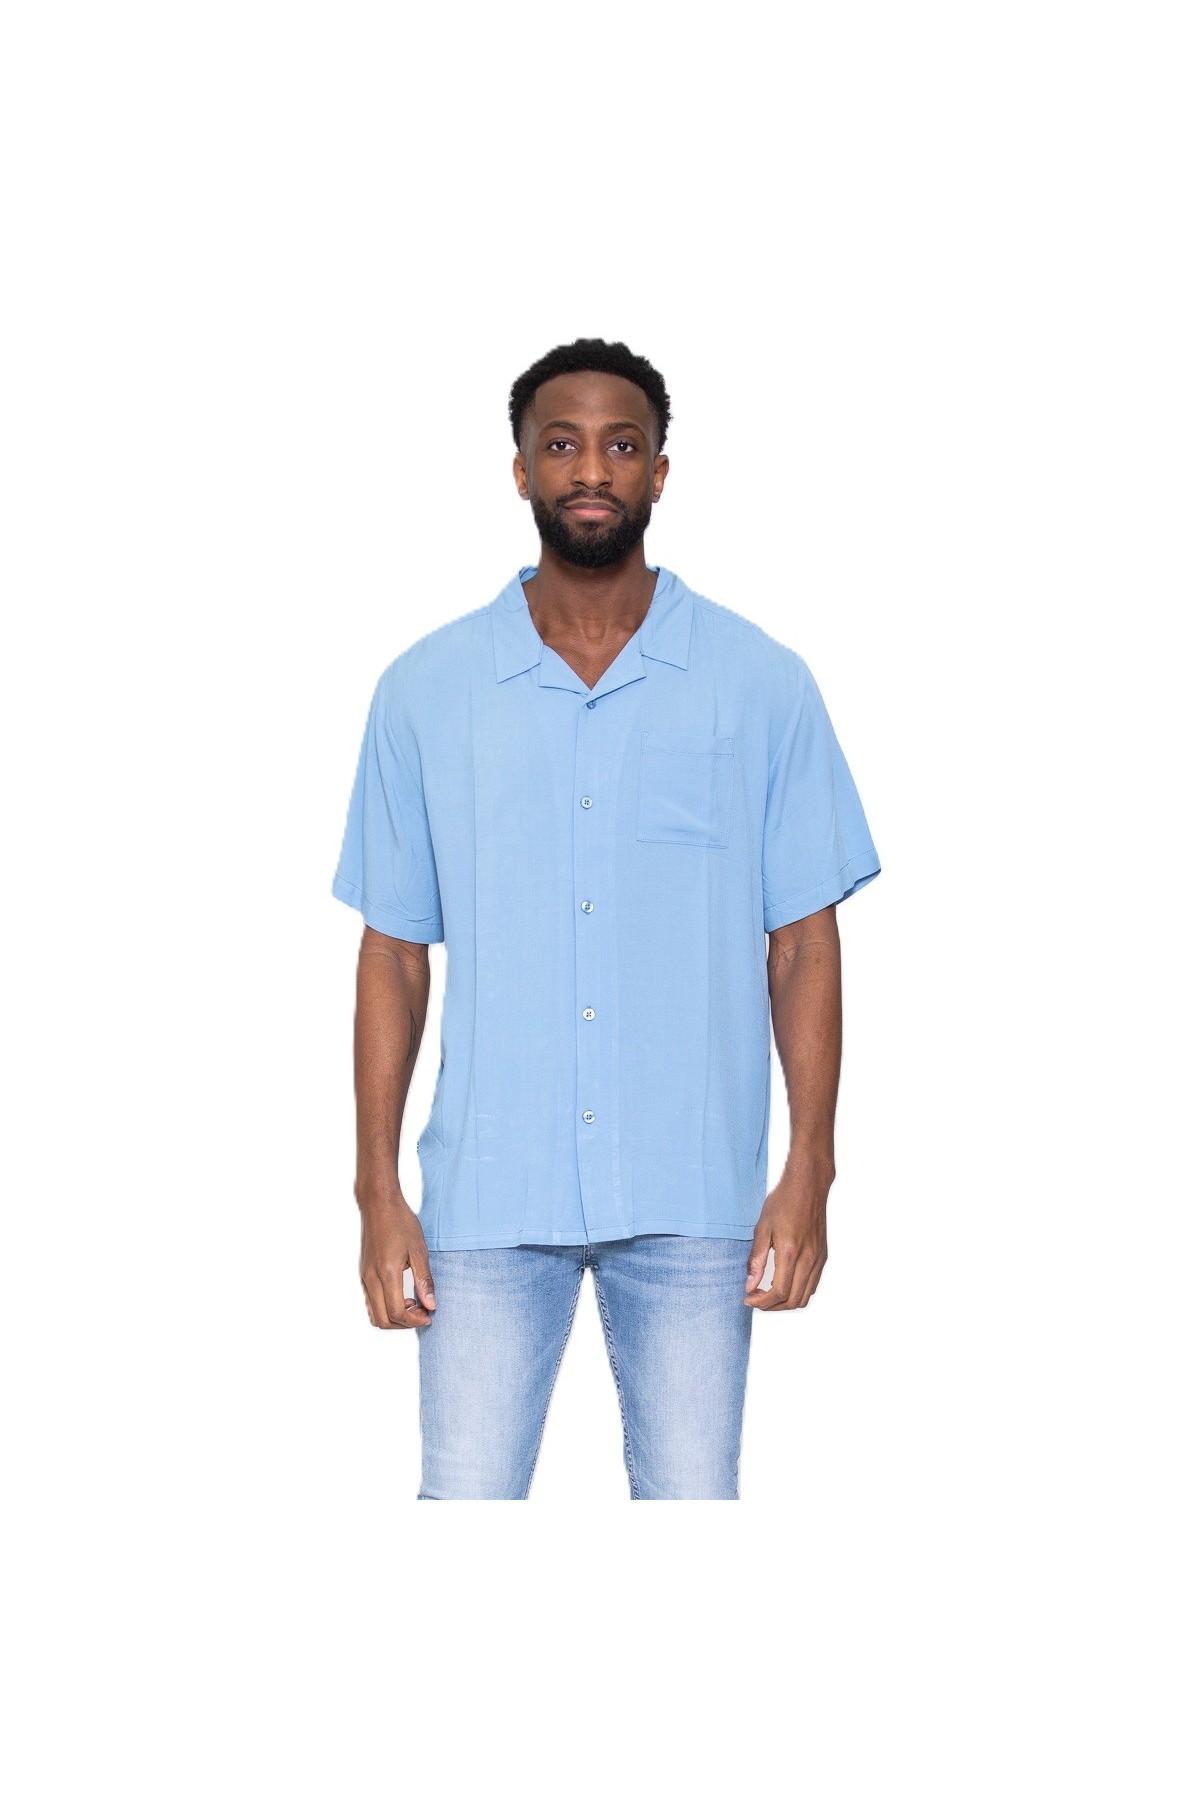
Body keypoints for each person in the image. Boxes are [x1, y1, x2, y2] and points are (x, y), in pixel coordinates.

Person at [332, 337, 881, 1499]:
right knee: (463, 1513)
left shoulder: (759, 683)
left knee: (690, 1514)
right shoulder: (424, 691)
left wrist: (811, 1169)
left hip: (693, 1194)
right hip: (489, 1195)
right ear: (521, 470)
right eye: (563, 444)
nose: (592, 469)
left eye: (621, 445)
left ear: (660, 471)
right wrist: (378, 1189)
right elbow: (394, 951)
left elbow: (803, 942)